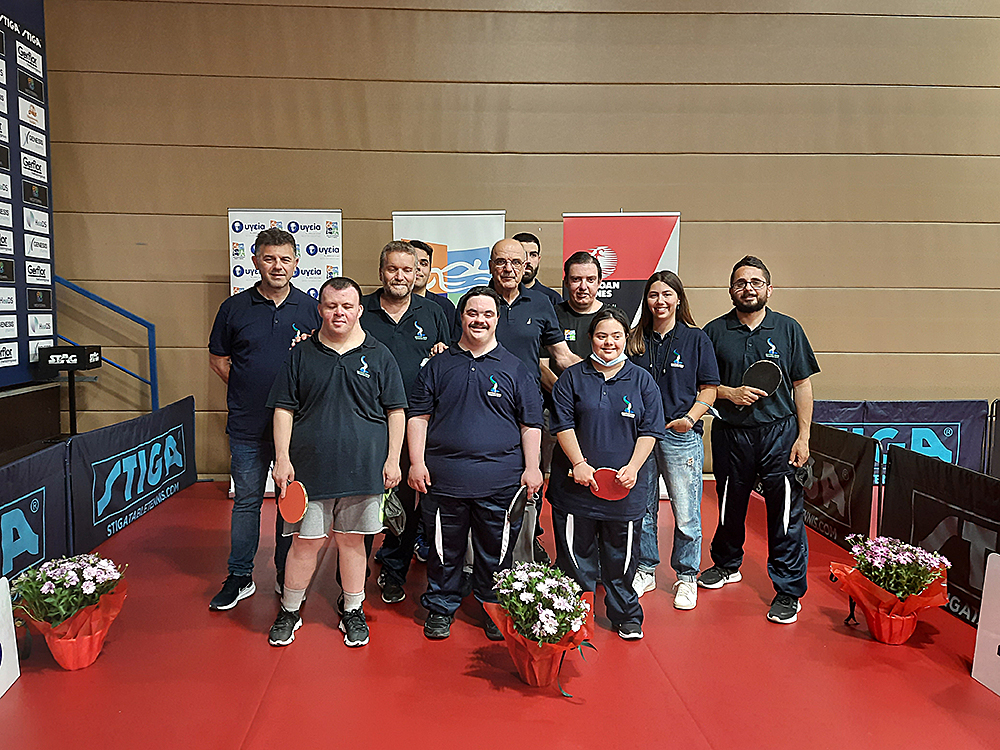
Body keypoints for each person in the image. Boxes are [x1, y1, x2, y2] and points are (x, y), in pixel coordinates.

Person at [266, 277, 407, 648]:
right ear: (320, 309)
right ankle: (290, 610)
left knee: (352, 543)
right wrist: (282, 457)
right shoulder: (301, 354)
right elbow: (283, 409)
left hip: (365, 470)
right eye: (331, 306)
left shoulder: (379, 355)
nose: (339, 313)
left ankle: (353, 609)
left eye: (346, 306)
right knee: (305, 544)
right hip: (309, 471)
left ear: (359, 310)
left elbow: (396, 411)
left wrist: (393, 459)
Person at [407, 286, 543, 641]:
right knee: (443, 550)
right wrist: (416, 462)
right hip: (443, 480)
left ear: (497, 319)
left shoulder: (516, 369)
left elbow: (530, 424)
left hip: (501, 482)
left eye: (487, 314)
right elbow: (418, 416)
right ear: (461, 317)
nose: (479, 320)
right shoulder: (437, 366)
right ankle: (441, 606)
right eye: (472, 313)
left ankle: (493, 606)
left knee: (496, 551)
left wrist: (532, 468)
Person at [700, 256, 820, 624]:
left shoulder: (788, 329)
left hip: (779, 434)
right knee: (728, 505)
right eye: (740, 282)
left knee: (783, 514)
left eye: (755, 282)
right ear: (730, 290)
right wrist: (730, 393)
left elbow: (802, 385)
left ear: (769, 289)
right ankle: (727, 564)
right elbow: (703, 386)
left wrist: (803, 437)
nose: (748, 288)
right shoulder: (714, 332)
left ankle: (788, 590)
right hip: (731, 434)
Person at [207, 228, 321, 611]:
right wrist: (248, 387)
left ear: (296, 263)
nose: (277, 266)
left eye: (285, 259)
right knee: (247, 503)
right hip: (247, 426)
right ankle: (240, 575)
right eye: (269, 258)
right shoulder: (233, 308)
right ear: (255, 260)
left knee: (290, 505)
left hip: (298, 429)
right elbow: (219, 360)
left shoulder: (311, 309)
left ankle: (286, 573)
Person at [547, 307, 665, 640]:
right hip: (575, 490)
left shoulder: (642, 380)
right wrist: (578, 463)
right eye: (601, 336)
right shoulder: (572, 378)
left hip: (625, 491)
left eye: (616, 336)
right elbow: (562, 424)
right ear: (590, 339)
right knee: (574, 559)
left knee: (621, 560)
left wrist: (633, 467)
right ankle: (572, 616)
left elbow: (650, 430)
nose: (608, 342)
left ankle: (625, 615)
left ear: (626, 338)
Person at [363, 241, 450, 604]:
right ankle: (353, 578)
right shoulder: (360, 310)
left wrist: (443, 352)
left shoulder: (434, 313)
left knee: (407, 502)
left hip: (416, 424)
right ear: (381, 272)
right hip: (366, 425)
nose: (399, 276)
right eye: (392, 269)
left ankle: (394, 568)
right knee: (361, 503)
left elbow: (450, 364)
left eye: (407, 270)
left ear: (418, 273)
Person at [626, 271, 719, 611]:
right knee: (643, 509)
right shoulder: (635, 339)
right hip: (641, 437)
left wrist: (690, 419)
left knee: (686, 512)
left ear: (678, 299)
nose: (660, 301)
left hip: (680, 435)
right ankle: (645, 569)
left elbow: (709, 388)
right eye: (654, 295)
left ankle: (687, 575)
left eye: (667, 294)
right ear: (646, 300)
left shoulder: (696, 339)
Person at [488, 238, 580, 563]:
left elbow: (561, 355)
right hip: (483, 409)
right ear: (491, 265)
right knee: (487, 481)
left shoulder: (541, 303)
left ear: (525, 265)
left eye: (516, 262)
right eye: (501, 262)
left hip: (528, 410)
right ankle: (487, 551)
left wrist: (598, 373)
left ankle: (527, 542)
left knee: (531, 477)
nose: (508, 268)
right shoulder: (477, 300)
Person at [409, 239, 458, 334]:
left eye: (423, 264)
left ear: (430, 270)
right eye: (413, 263)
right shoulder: (391, 306)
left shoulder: (445, 306)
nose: (418, 267)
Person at [513, 231, 562, 305]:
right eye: (523, 254)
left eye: (533, 255)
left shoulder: (552, 298)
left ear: (539, 259)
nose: (528, 260)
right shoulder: (496, 296)